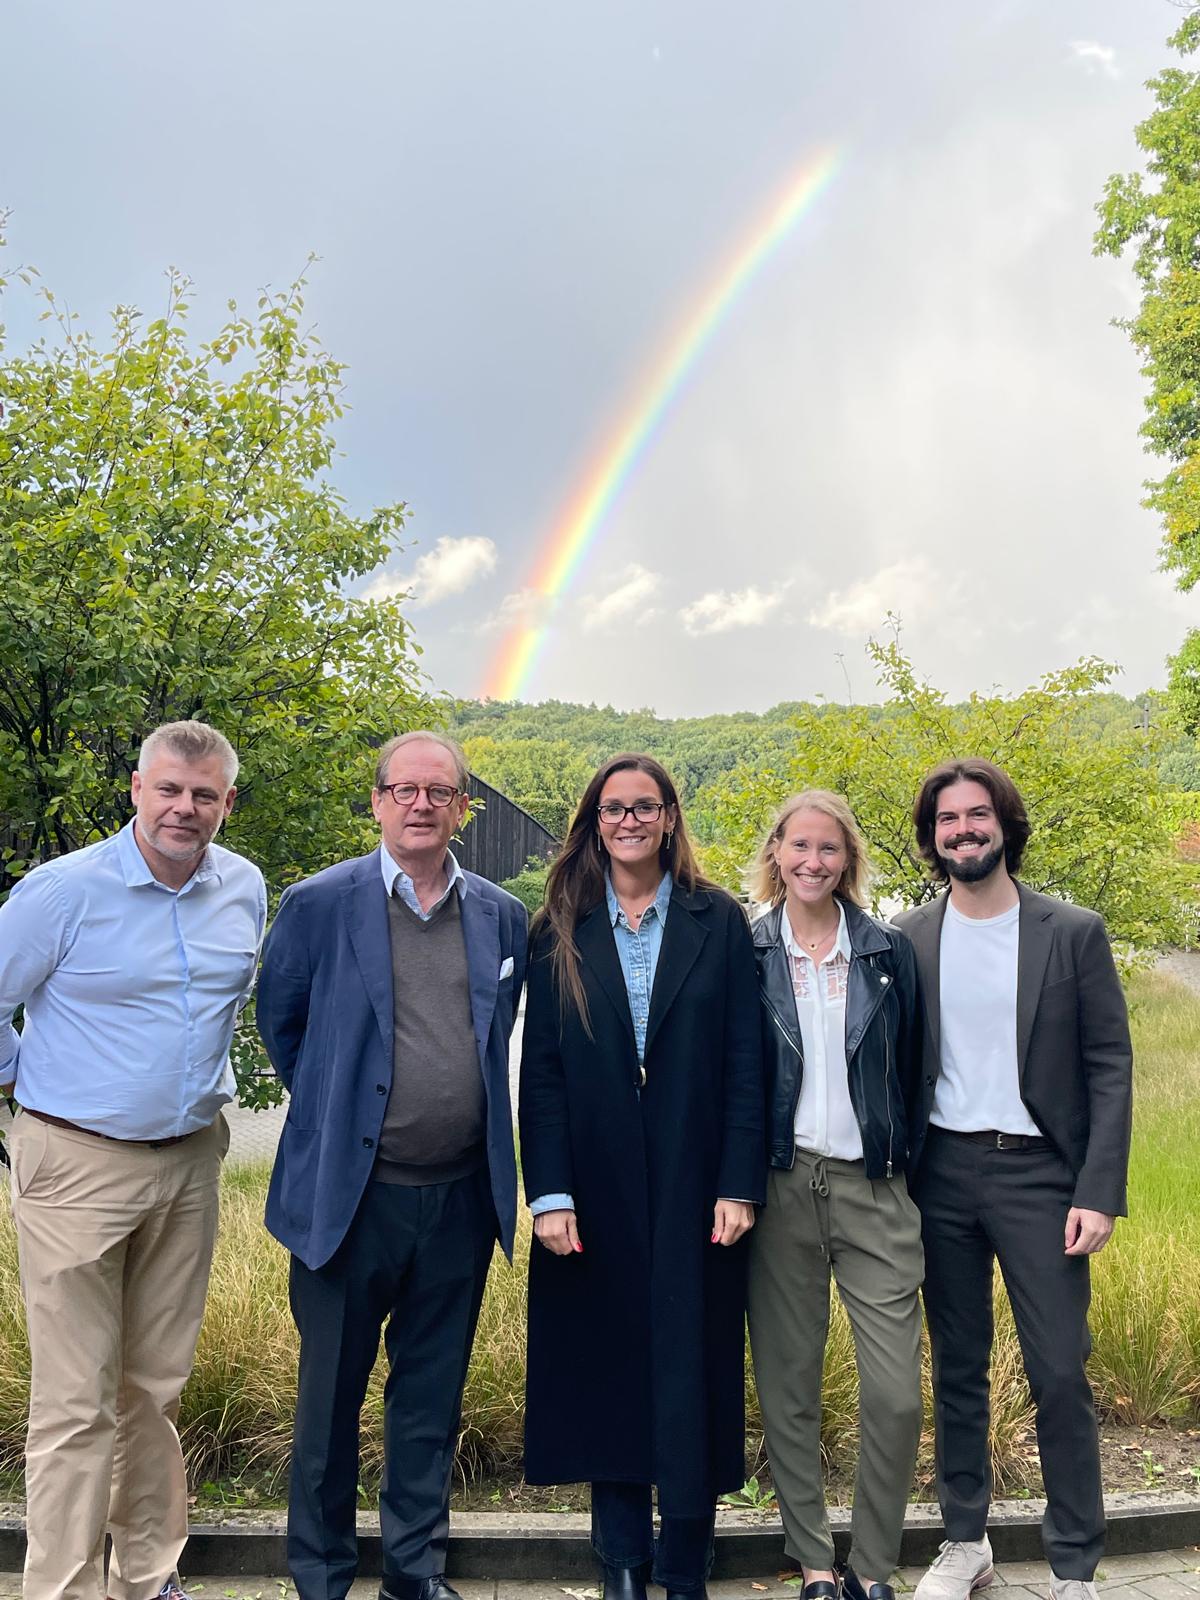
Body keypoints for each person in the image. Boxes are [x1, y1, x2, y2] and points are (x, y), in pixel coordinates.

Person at [256, 731, 528, 1600]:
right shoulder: (317, 904)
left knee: (429, 1400)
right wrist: (342, 1116)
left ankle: (415, 1573)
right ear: (377, 801)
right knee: (328, 1402)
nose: (420, 804)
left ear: (461, 808)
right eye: (404, 789)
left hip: (459, 1200)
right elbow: (282, 1024)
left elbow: (496, 1032)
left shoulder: (500, 914)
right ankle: (322, 1575)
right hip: (349, 1200)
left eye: (438, 792)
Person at [0, 720, 265, 1600]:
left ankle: (146, 1579)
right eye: (169, 789)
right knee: (75, 1401)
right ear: (137, 790)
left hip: (189, 1164)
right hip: (75, 1165)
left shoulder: (244, 888)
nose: (184, 808)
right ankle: (63, 1590)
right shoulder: (62, 891)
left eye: (204, 794)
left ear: (227, 803)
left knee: (154, 1390)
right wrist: (26, 1091)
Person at [519, 753, 765, 1600]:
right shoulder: (559, 925)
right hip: (593, 1185)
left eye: (644, 807)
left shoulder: (716, 919)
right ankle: (622, 1559)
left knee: (693, 1363)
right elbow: (541, 1073)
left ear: (668, 818)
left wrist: (739, 1182)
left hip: (698, 1181)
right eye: (613, 808)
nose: (629, 821)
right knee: (607, 1366)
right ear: (594, 823)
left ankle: (686, 1559)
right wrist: (549, 1193)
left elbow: (745, 1061)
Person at [895, 759, 1133, 1600]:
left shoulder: (1072, 931)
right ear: (932, 837)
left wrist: (1099, 1191)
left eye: (977, 815)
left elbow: (1109, 1064)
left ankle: (1074, 1567)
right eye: (947, 819)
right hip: (941, 1174)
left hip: (1042, 1178)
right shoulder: (910, 937)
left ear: (1005, 824)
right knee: (958, 1367)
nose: (963, 830)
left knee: (1059, 1371)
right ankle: (966, 1542)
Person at [745, 791, 924, 1600]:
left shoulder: (887, 951)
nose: (812, 861)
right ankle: (815, 1561)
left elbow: (915, 1069)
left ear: (848, 858)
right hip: (780, 1186)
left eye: (828, 848)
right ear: (776, 854)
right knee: (790, 1385)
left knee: (895, 1395)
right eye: (799, 846)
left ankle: (873, 1567)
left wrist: (900, 1165)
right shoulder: (747, 952)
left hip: (873, 1189)